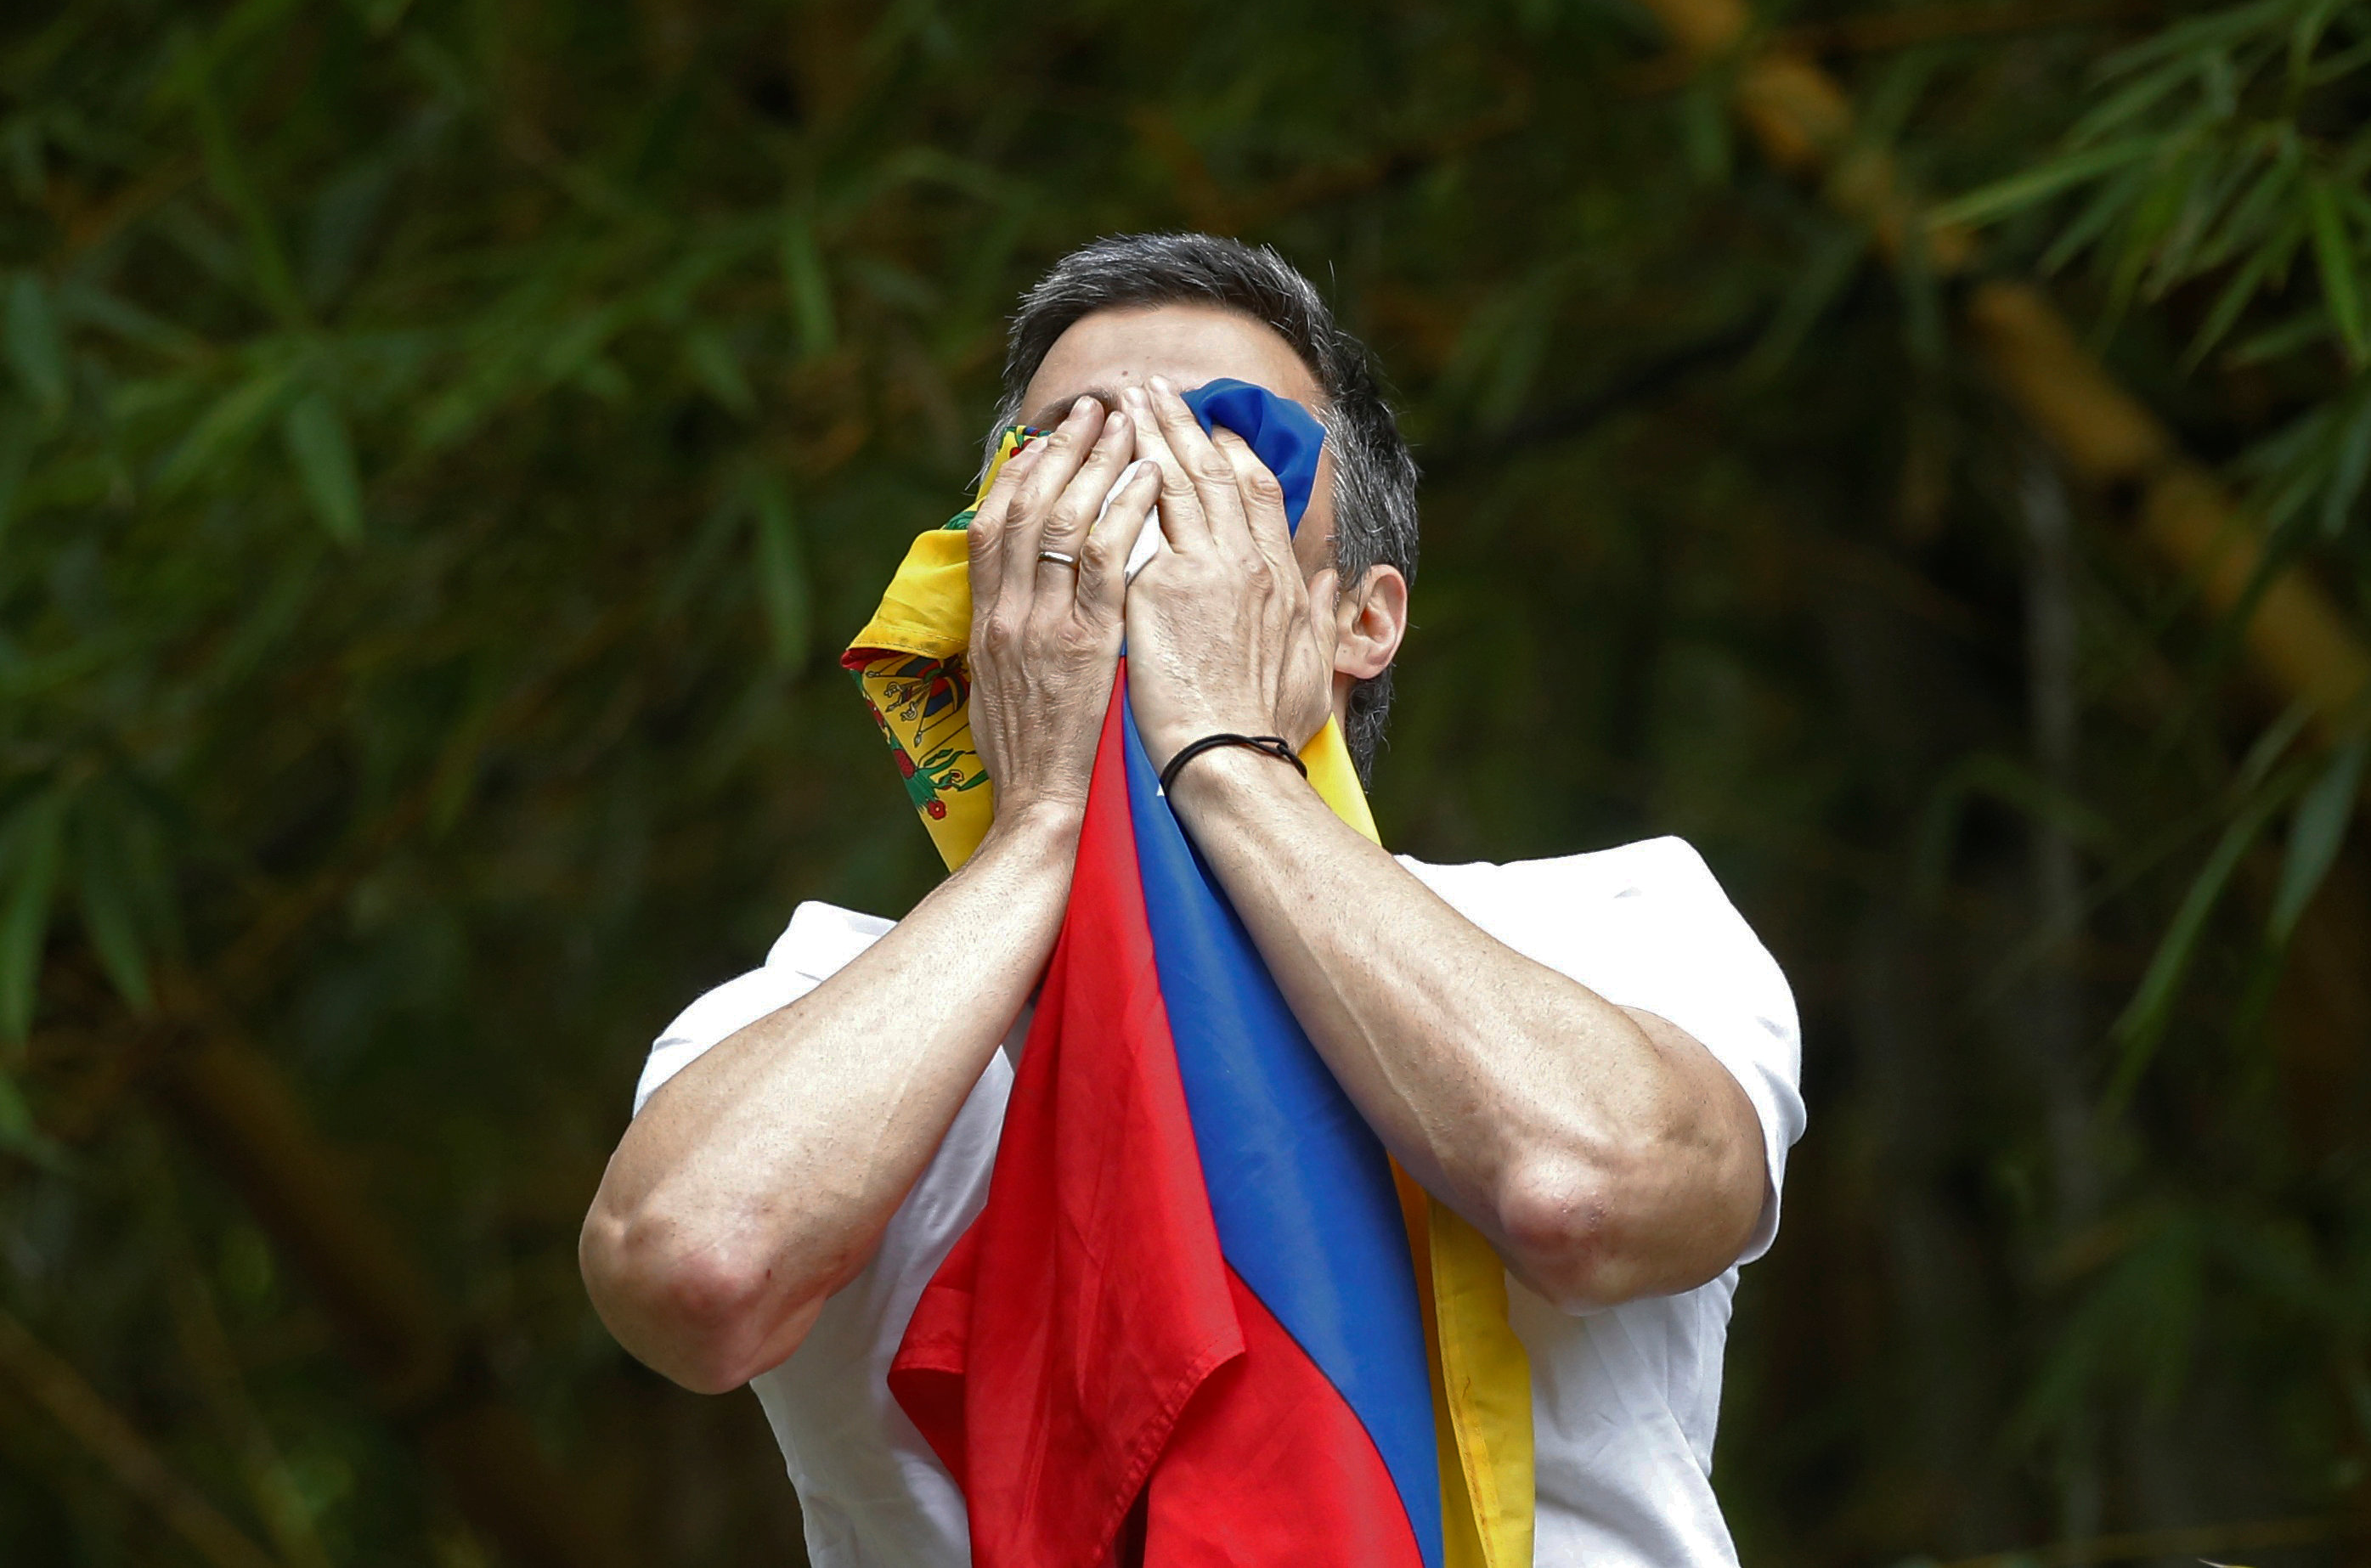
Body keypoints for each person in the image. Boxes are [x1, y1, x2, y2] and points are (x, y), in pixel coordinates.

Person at [579, 233, 1804, 1567]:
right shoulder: (817, 998)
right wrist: (1044, 826)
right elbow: (698, 1270)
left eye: (1226, 465)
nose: (1136, 515)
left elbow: (1593, 1187)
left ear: (1361, 621)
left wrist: (1225, 759)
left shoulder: (1610, 925)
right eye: (1072, 461)